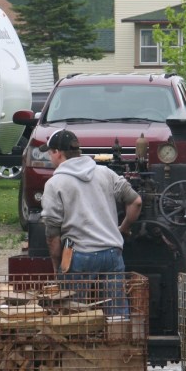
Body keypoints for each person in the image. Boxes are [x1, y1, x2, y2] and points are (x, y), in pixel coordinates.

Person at [39, 129, 142, 316]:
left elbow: (52, 234)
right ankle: (120, 342)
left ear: (57, 153)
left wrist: (57, 267)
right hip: (112, 252)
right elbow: (136, 202)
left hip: (79, 255)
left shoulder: (55, 184)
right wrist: (122, 229)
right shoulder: (105, 173)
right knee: (116, 312)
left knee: (76, 315)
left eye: (49, 152)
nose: (49, 157)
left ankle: (81, 343)